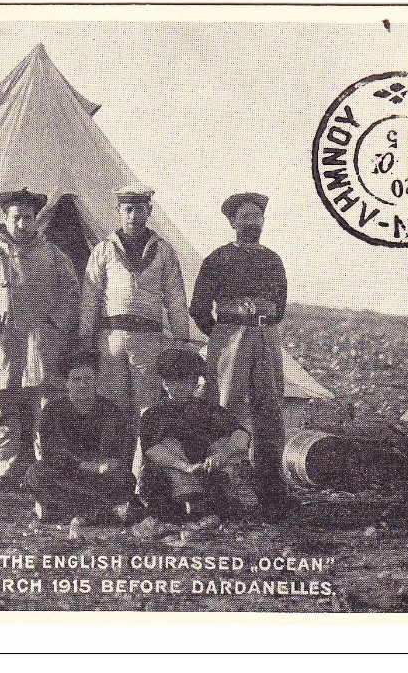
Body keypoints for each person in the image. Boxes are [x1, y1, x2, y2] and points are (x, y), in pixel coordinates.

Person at [0, 188, 80, 488]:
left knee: (46, 409)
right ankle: (6, 471)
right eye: (17, 218)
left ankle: (48, 470)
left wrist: (53, 324)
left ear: (36, 219)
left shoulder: (54, 256)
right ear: (6, 218)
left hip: (41, 344)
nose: (23, 225)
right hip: (4, 345)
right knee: (5, 409)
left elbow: (72, 294)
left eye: (28, 218)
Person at [78, 184, 189, 489]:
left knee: (146, 410)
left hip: (149, 340)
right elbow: (91, 298)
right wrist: (86, 342)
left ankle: (142, 478)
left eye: (141, 209)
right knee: (112, 408)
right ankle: (112, 476)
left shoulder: (164, 251)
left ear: (149, 211)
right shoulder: (103, 250)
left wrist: (180, 343)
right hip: (111, 338)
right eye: (129, 209)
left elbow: (176, 299)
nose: (135, 215)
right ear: (119, 211)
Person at [189, 192, 289, 516]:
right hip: (230, 336)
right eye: (244, 216)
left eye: (256, 216)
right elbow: (199, 308)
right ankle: (222, 489)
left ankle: (271, 490)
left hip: (266, 337)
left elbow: (280, 306)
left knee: (270, 410)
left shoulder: (273, 259)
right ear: (233, 222)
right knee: (226, 408)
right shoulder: (217, 259)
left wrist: (261, 325)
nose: (251, 222)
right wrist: (222, 337)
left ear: (263, 221)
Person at [24, 347, 139, 523]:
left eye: (88, 379)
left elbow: (117, 453)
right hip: (67, 472)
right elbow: (51, 453)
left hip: (99, 476)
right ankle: (99, 511)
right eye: (77, 380)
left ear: (96, 381)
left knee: (125, 479)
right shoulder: (52, 410)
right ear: (67, 383)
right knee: (36, 474)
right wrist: (83, 465)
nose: (83, 385)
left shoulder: (110, 411)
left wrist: (107, 464)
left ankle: (64, 510)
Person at [138, 347, 250, 520]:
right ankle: (190, 503)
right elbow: (151, 449)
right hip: (175, 474)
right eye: (173, 381)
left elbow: (242, 434)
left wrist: (221, 454)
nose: (179, 386)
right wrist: (186, 467)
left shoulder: (206, 409)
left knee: (225, 444)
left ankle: (214, 500)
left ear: (194, 382)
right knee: (169, 446)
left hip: (207, 471)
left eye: (185, 380)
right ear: (164, 383)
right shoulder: (154, 414)